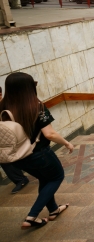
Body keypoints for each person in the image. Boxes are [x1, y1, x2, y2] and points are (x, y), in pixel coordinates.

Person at [0, 72, 74, 229]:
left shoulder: (3, 107)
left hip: (19, 157)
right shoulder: (36, 106)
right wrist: (67, 143)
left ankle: (53, 210)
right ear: (28, 88)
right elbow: (50, 134)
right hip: (40, 153)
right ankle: (32, 216)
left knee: (45, 179)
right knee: (56, 176)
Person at [0, 86, 30, 194]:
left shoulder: (7, 105)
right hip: (3, 141)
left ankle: (21, 179)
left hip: (15, 138)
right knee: (4, 159)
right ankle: (19, 179)